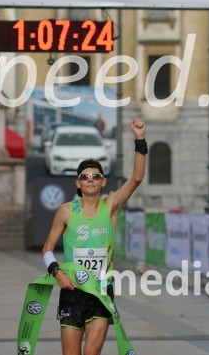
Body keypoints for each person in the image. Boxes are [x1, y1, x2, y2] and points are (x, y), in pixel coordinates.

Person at [42, 119, 147, 355]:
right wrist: (57, 273)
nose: (91, 179)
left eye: (96, 176)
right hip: (72, 292)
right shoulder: (66, 211)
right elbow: (47, 249)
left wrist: (140, 140)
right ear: (78, 183)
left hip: (101, 291)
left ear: (103, 182)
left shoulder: (110, 206)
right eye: (85, 176)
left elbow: (137, 177)